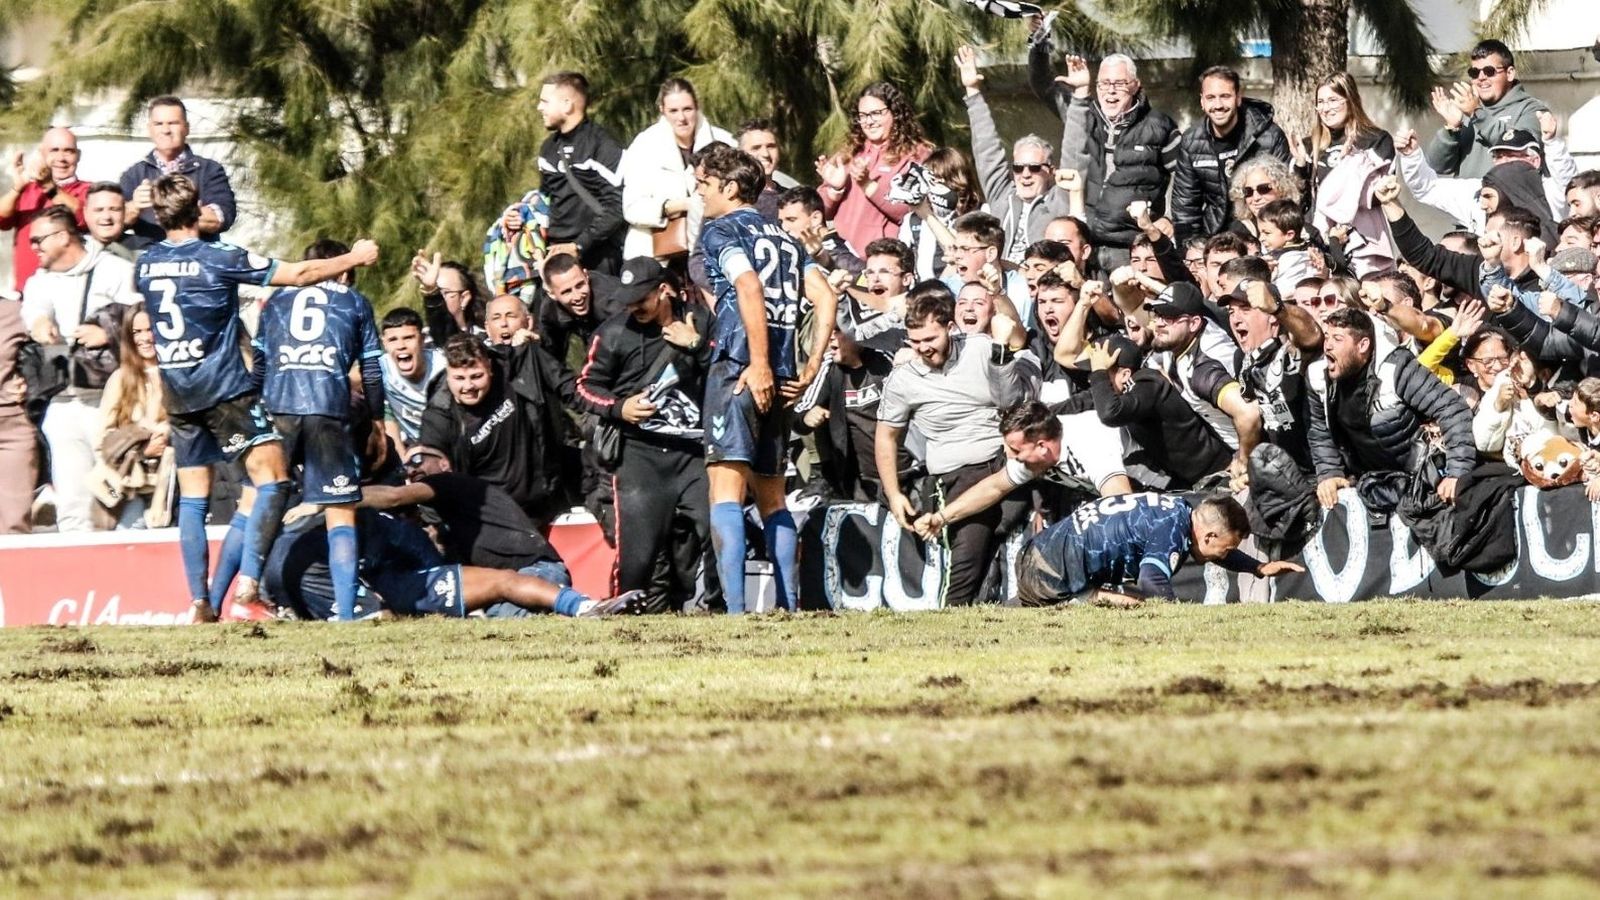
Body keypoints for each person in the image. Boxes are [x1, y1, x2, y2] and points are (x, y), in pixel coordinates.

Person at [134, 173, 378, 622]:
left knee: (194, 497)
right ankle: (248, 584)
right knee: (275, 480)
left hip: (178, 392)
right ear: (199, 210)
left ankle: (200, 602)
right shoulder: (217, 256)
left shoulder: (145, 263)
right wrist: (355, 256)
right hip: (224, 388)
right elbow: (301, 273)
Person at [697, 143, 838, 614]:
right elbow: (825, 297)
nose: (699, 194)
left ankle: (736, 613)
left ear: (729, 187)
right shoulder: (785, 239)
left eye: (703, 184)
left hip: (740, 368)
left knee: (725, 492)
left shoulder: (719, 230)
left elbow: (748, 286)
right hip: (780, 377)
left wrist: (755, 363)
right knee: (773, 496)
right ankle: (789, 604)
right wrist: (810, 364)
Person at [876, 283, 1041, 607]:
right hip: (955, 475)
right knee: (970, 551)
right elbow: (886, 436)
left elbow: (1010, 400)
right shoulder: (903, 380)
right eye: (916, 341)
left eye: (931, 339)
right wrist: (894, 494)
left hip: (1003, 459)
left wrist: (1000, 352)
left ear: (950, 328)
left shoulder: (980, 349)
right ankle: (954, 613)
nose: (923, 348)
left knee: (1003, 525)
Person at [252, 239, 385, 621]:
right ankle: (345, 613)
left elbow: (260, 366)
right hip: (328, 408)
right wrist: (376, 420)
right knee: (340, 514)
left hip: (277, 408)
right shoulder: (353, 301)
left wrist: (256, 413)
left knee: (255, 503)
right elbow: (372, 370)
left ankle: (237, 593)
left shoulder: (274, 302)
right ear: (342, 270)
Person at [575, 257, 714, 612]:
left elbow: (726, 369)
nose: (633, 306)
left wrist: (696, 344)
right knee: (637, 557)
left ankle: (716, 609)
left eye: (641, 298)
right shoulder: (613, 333)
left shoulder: (700, 320)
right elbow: (584, 387)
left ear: (664, 290)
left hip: (694, 453)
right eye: (628, 299)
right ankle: (623, 619)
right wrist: (618, 407)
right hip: (639, 457)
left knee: (717, 529)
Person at [267, 506, 644, 620]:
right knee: (504, 583)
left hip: (293, 576)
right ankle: (584, 606)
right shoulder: (396, 527)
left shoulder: (380, 521)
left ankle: (585, 607)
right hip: (335, 579)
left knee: (503, 588)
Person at [21, 206, 142, 532]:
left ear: (63, 236)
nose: (33, 247)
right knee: (72, 498)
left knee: (124, 486)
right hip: (62, 400)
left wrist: (109, 333)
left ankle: (132, 561)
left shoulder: (115, 269)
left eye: (38, 240)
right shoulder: (39, 281)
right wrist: (40, 323)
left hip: (111, 400)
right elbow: (34, 311)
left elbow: (142, 317)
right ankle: (77, 567)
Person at [1306, 308, 1476, 509]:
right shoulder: (1318, 377)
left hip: (1417, 479)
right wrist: (1330, 473)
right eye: (1326, 337)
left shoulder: (1395, 370)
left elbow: (1452, 409)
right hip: (1367, 480)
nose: (1328, 346)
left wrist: (1457, 473)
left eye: (1337, 339)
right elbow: (1319, 430)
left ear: (1363, 345)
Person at [1031, 48, 1179, 269]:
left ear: (1136, 85)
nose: (1111, 91)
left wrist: (1169, 218)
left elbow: (1185, 178)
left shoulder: (1160, 126)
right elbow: (1042, 83)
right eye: (1104, 84)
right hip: (1082, 243)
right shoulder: (1081, 115)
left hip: (1130, 247)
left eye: (1119, 84)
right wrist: (1039, 42)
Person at [1014, 492, 1301, 606]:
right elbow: (1151, 579)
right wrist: (1174, 615)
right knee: (1140, 606)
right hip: (1051, 575)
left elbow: (1215, 549)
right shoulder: (1172, 531)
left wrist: (1257, 567)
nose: (1223, 557)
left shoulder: (1177, 511)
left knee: (1136, 605)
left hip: (1037, 551)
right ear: (1210, 535)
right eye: (1225, 550)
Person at [419, 332, 577, 531]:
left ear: (490, 367)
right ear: (448, 374)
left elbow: (563, 379)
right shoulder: (439, 416)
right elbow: (430, 473)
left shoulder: (511, 367)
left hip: (548, 498)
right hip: (496, 520)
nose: (468, 387)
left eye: (476, 376)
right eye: (459, 378)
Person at [912, 399, 1130, 539]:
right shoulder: (1038, 451)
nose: (1009, 456)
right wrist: (941, 518)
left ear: (1042, 446)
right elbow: (994, 487)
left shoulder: (1089, 442)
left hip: (1154, 483)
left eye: (1015, 450)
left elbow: (1123, 503)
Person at [956, 45, 1071, 265]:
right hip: (1002, 279)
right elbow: (986, 149)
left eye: (1034, 168)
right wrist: (972, 91)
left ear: (1051, 172)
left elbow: (1076, 148)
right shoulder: (1002, 195)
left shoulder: (1060, 200)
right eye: (1018, 168)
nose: (1025, 174)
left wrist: (1082, 98)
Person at [1170, 65, 1291, 242]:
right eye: (1211, 98)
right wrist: (1190, 253)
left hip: (1262, 235)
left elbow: (1286, 196)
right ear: (1202, 102)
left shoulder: (1269, 136)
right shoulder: (1191, 141)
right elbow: (1185, 209)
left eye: (1225, 97)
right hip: (1214, 237)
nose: (1218, 105)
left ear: (1238, 98)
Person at [621, 78, 733, 261]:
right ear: (662, 110)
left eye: (687, 109)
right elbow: (632, 208)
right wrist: (676, 206)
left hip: (714, 251)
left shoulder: (724, 142)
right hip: (657, 256)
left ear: (697, 106)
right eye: (673, 111)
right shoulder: (644, 145)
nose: (681, 118)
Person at [816, 82, 933, 255]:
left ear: (895, 113)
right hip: (843, 259)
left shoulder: (917, 155)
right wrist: (835, 189)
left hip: (889, 260)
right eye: (862, 116)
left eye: (876, 114)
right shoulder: (848, 153)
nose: (868, 122)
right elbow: (816, 214)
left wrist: (868, 186)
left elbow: (914, 211)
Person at [1302, 73, 1395, 276]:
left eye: (1333, 100)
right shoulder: (1308, 146)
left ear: (1350, 100)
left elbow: (1378, 195)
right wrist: (1300, 168)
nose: (1326, 108)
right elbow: (1302, 201)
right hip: (1320, 244)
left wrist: (1351, 164)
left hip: (1364, 244)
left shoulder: (1375, 140)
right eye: (1321, 102)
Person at [537, 71, 626, 274]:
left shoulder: (602, 145)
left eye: (545, 101)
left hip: (598, 256)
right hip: (556, 254)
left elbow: (617, 205)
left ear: (567, 105)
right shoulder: (548, 149)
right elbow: (544, 201)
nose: (539, 107)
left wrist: (579, 245)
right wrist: (519, 216)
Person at [1425, 39, 1550, 179]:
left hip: (1510, 199)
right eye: (1474, 72)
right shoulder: (1466, 113)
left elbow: (1523, 148)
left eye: (1489, 71)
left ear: (1509, 73)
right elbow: (1437, 166)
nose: (1481, 78)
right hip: (1470, 199)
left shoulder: (1531, 109)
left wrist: (1477, 114)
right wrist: (1451, 129)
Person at [119, 97, 236, 245]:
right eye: (159, 124)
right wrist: (134, 206)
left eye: (173, 123)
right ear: (150, 129)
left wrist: (177, 211)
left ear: (186, 128)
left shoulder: (209, 170)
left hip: (198, 258)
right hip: (150, 257)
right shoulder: (134, 175)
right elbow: (112, 223)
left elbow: (222, 218)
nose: (166, 130)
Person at [94, 303, 169, 529]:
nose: (145, 338)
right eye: (137, 332)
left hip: (174, 486)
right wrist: (140, 449)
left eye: (151, 329)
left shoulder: (180, 375)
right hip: (130, 488)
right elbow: (103, 440)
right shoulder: (120, 379)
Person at [1, 127, 91, 292]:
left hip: (70, 291)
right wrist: (17, 188)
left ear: (78, 156)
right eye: (54, 150)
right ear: (42, 154)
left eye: (68, 151)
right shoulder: (27, 190)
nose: (61, 158)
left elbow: (84, 217)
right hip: (26, 293)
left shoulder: (89, 190)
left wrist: (49, 186)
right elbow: (2, 220)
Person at [538, 252, 624, 369]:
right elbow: (550, 355)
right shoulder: (550, 311)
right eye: (567, 291)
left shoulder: (612, 299)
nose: (578, 296)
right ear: (552, 294)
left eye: (580, 285)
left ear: (586, 276)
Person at [378, 307, 444, 458]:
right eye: (393, 340)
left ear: (422, 340)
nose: (401, 346)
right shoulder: (380, 369)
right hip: (418, 454)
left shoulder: (443, 365)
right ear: (384, 344)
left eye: (408, 338)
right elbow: (345, 381)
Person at [0, 288, 34, 533]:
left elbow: (55, 352)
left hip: (11, 427)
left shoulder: (14, 310)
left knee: (14, 523)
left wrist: (28, 380)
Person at [1226, 156, 1302, 243]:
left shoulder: (1304, 231)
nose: (1256, 198)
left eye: (1263, 189)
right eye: (1248, 191)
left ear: (1282, 189)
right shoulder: (1238, 234)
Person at [736, 119, 798, 220]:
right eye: (756, 148)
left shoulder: (792, 198)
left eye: (771, 146)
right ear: (741, 154)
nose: (765, 154)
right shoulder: (734, 199)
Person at [82, 182, 138, 262]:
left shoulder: (146, 250)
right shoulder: (74, 250)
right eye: (99, 210)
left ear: (124, 212)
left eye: (114, 209)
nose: (106, 217)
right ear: (85, 213)